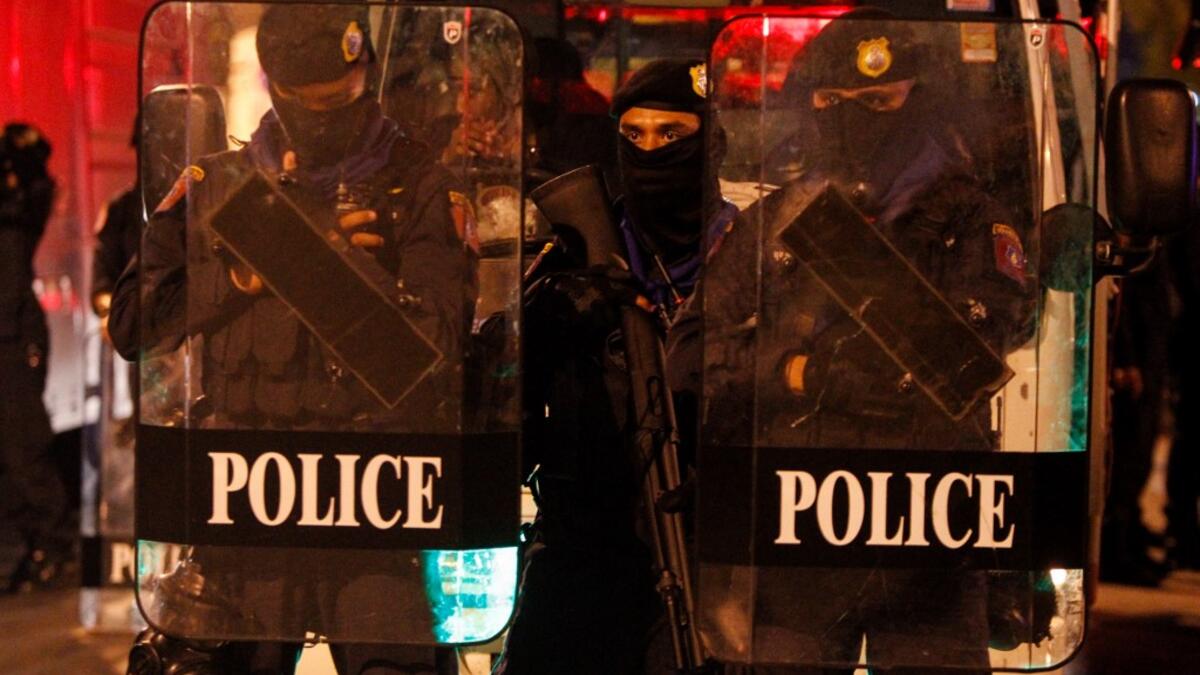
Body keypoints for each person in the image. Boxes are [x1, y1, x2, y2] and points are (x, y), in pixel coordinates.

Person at [109, 6, 475, 674]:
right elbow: (136, 324)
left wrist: (354, 271)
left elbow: (441, 350)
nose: (332, 116)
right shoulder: (220, 187)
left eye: (345, 98)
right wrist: (245, 273)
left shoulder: (416, 187)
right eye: (312, 105)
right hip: (244, 510)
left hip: (372, 511)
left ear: (366, 71)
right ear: (278, 91)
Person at [670, 11, 1038, 673]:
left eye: (877, 102)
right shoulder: (773, 224)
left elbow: (986, 341)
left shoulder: (970, 222)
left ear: (918, 105)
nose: (852, 118)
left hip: (928, 536)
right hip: (800, 536)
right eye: (833, 103)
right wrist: (799, 374)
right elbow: (694, 357)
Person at [494, 58, 734, 675]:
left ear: (712, 143)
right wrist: (544, 316)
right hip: (583, 544)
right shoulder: (576, 252)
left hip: (708, 552)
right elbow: (494, 382)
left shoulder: (746, 257)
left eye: (673, 136)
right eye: (634, 136)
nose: (651, 153)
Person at [0, 122, 71, 593]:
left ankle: (51, 543)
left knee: (25, 446)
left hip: (13, 334)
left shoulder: (24, 202)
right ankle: (25, 546)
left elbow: (38, 181)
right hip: (9, 330)